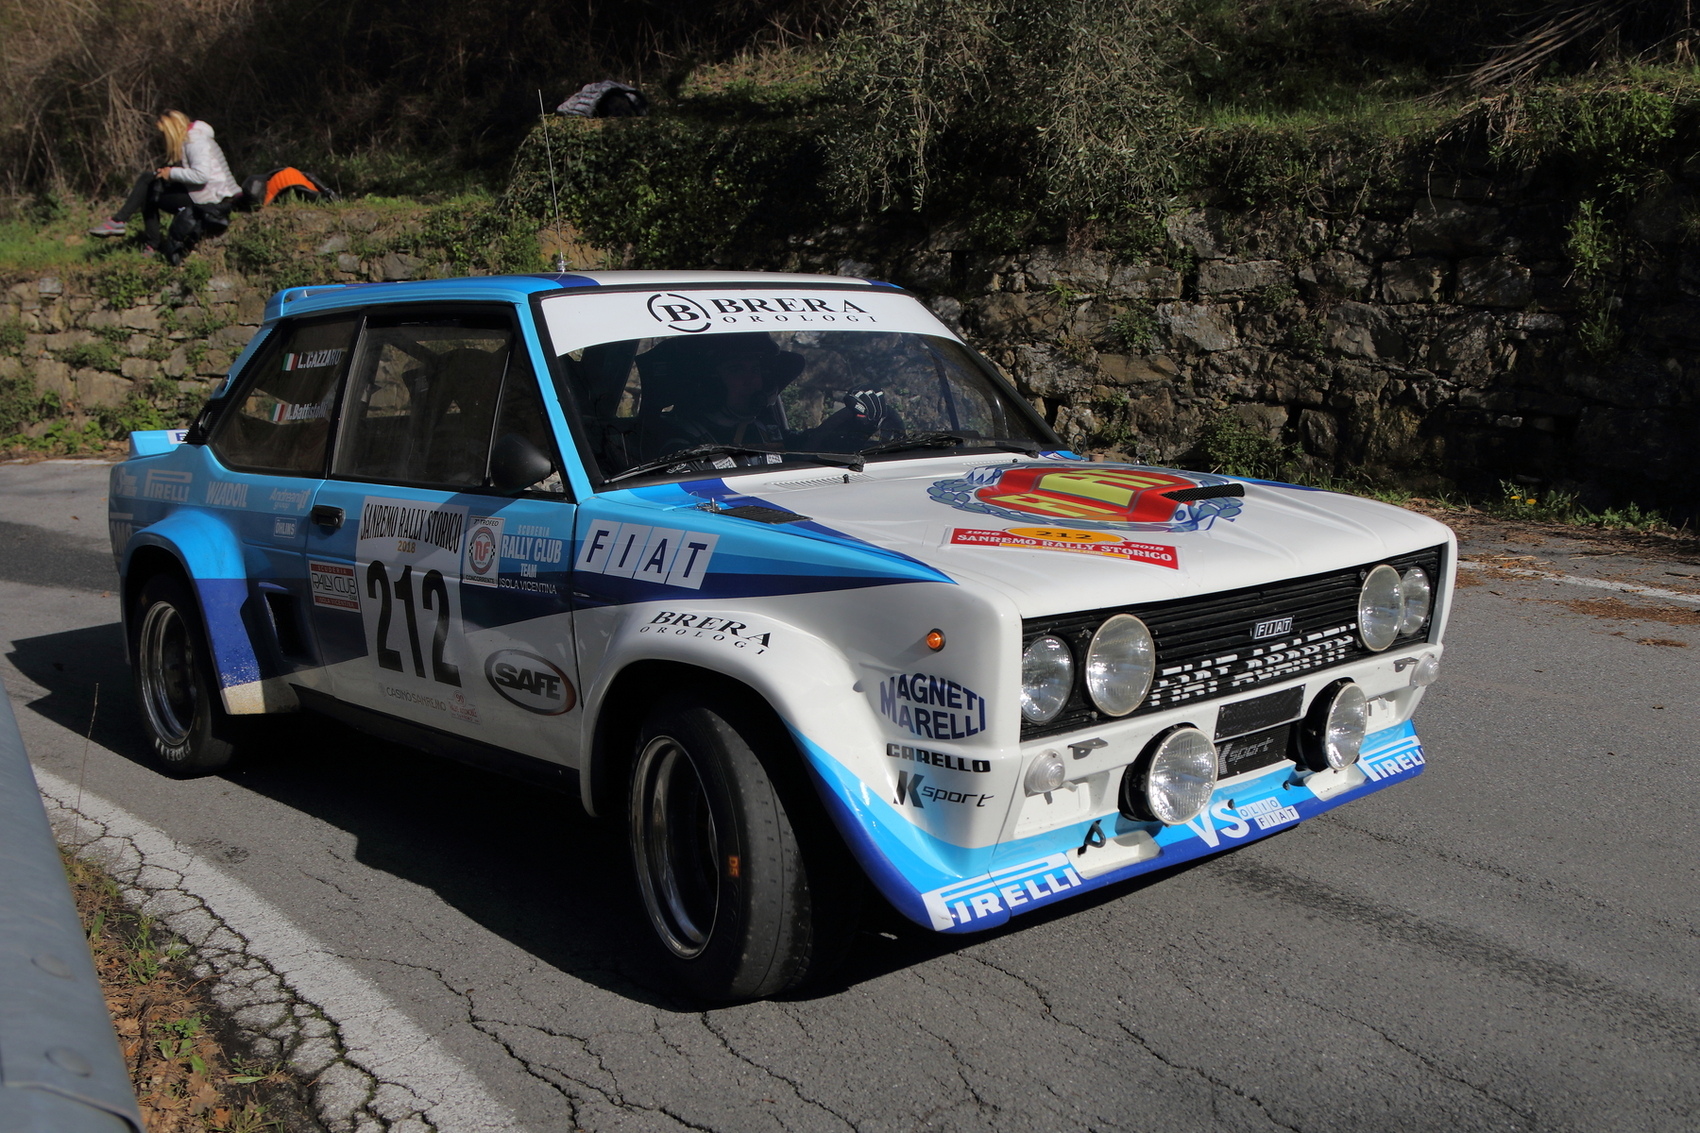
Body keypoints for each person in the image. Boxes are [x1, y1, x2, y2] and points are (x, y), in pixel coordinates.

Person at [642, 333, 897, 462]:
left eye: (755, 369)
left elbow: (808, 446)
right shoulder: (679, 442)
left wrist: (855, 414)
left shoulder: (763, 429)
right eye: (735, 370)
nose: (753, 381)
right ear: (707, 383)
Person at [88, 110, 241, 263]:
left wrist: (172, 173)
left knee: (150, 190)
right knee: (149, 180)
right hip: (206, 193)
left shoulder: (195, 141)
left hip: (213, 198)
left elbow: (202, 176)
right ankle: (129, 229)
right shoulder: (194, 138)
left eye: (165, 133)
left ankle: (140, 237)